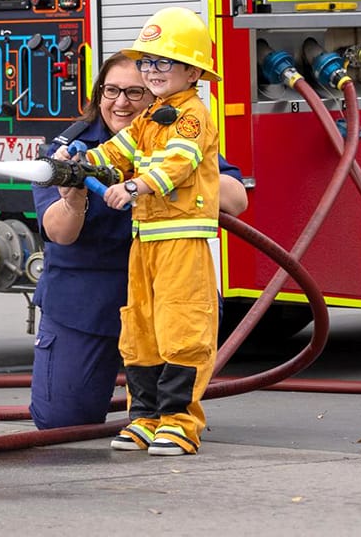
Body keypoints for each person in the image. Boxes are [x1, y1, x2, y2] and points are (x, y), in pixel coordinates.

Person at [30, 48, 247, 432]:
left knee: (170, 391)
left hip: (168, 291)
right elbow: (59, 232)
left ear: (154, 97)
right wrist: (75, 196)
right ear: (98, 96)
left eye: (135, 92)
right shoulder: (69, 151)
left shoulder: (176, 137)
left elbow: (236, 199)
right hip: (86, 301)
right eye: (111, 91)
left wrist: (163, 180)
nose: (121, 103)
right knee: (62, 421)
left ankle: (165, 420)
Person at [77, 6, 225, 456]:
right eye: (147, 62)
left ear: (192, 69)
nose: (152, 71)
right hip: (147, 239)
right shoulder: (151, 116)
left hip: (181, 237)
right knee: (141, 329)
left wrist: (134, 185)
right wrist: (80, 163)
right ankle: (145, 417)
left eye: (163, 62)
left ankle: (180, 422)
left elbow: (176, 163)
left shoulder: (192, 115)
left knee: (182, 330)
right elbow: (116, 148)